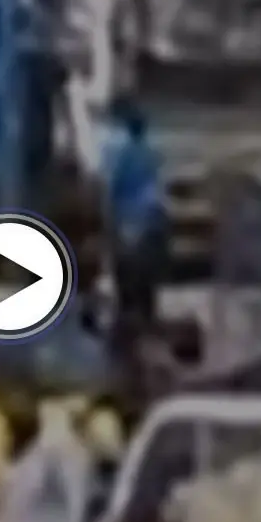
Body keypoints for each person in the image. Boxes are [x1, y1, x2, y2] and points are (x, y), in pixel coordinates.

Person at [103, 99, 168, 344]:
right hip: (153, 217)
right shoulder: (151, 149)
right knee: (147, 282)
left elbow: (112, 187)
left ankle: (128, 331)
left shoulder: (118, 149)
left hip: (129, 220)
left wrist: (108, 218)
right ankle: (146, 324)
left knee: (127, 277)